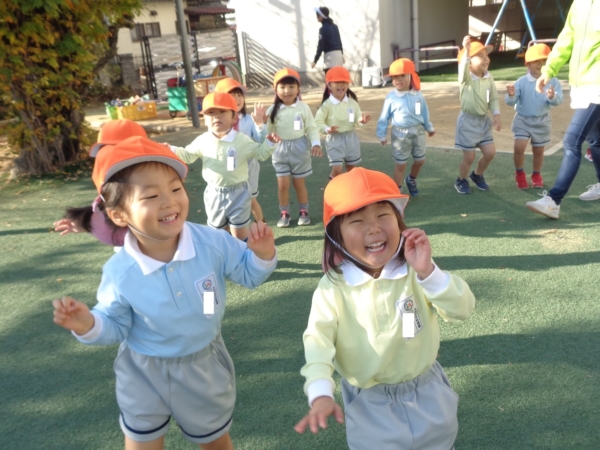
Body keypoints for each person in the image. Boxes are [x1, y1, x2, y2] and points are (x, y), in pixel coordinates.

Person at [52, 136, 277, 450]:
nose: (170, 202)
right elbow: (115, 325)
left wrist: (261, 256)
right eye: (151, 195)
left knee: (214, 440)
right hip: (142, 371)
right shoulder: (120, 272)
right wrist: (87, 324)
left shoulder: (211, 242)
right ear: (118, 215)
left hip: (203, 365)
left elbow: (248, 275)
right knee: (142, 441)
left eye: (175, 189)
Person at [294, 167, 475, 450]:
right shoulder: (332, 288)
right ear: (336, 235)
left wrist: (429, 272)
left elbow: (462, 309)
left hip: (427, 390)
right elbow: (317, 342)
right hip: (370, 402)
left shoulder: (417, 271)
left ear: (400, 222)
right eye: (356, 220)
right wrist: (319, 392)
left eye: (383, 215)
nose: (374, 228)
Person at [169, 92, 280, 240]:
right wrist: (170, 149)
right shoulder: (202, 140)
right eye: (211, 113)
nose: (216, 116)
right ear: (205, 119)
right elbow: (187, 156)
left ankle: (242, 257)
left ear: (234, 117)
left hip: (239, 192)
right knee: (218, 233)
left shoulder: (242, 140)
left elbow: (260, 153)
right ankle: (224, 258)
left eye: (222, 112)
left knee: (239, 234)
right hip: (214, 193)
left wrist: (270, 143)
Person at [526, 0, 600, 218]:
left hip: (596, 85)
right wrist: (548, 71)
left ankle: (553, 201)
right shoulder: (580, 4)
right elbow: (567, 38)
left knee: (572, 141)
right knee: (595, 140)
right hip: (582, 85)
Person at [53, 119, 148, 246]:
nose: (113, 161)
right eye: (106, 154)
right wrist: (86, 223)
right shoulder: (106, 191)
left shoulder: (147, 189)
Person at [266, 68, 322, 228]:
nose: (287, 91)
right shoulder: (271, 110)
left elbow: (311, 128)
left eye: (291, 86)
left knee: (299, 184)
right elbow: (266, 132)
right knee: (282, 184)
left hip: (300, 149)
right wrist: (260, 124)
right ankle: (284, 212)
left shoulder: (303, 108)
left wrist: (316, 143)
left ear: (298, 88)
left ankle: (304, 211)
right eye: (282, 87)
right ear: (275, 89)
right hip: (280, 151)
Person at [505, 43, 563, 190]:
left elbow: (558, 100)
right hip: (522, 119)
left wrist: (552, 96)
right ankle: (519, 173)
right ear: (528, 64)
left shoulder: (553, 81)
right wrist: (511, 95)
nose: (541, 64)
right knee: (519, 147)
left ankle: (536, 175)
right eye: (537, 61)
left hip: (542, 121)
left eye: (545, 61)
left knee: (538, 151)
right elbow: (511, 101)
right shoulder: (521, 82)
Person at [376, 58, 434, 197]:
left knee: (420, 160)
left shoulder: (417, 95)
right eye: (395, 77)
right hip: (400, 135)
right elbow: (384, 117)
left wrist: (428, 126)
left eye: (402, 75)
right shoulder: (391, 97)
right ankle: (397, 190)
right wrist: (382, 134)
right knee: (401, 164)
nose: (398, 80)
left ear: (411, 76)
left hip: (418, 132)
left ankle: (411, 179)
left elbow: (422, 113)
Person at [215, 78, 268, 222]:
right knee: (230, 200)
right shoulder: (218, 121)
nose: (237, 99)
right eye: (232, 95)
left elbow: (260, 139)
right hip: (227, 170)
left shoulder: (248, 120)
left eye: (239, 95)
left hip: (248, 167)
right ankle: (232, 231)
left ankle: (261, 225)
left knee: (250, 199)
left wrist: (259, 125)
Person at [454, 36, 501, 194]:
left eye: (486, 55)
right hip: (468, 122)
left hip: (483, 121)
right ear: (469, 61)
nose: (485, 58)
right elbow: (462, 69)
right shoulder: (466, 78)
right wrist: (467, 51)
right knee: (469, 157)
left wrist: (495, 113)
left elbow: (491, 97)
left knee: (490, 153)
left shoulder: (488, 78)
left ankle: (477, 175)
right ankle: (461, 180)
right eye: (480, 56)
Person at [314, 66, 371, 180]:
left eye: (344, 82)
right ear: (329, 85)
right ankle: (332, 193)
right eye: (336, 82)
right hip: (335, 140)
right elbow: (318, 122)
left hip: (351, 139)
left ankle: (349, 193)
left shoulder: (352, 103)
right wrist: (327, 129)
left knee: (351, 169)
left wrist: (361, 121)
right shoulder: (326, 105)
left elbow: (357, 118)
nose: (340, 85)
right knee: (337, 171)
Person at [311, 6, 344, 73]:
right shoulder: (335, 26)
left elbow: (320, 46)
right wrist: (342, 55)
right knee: (338, 80)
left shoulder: (322, 29)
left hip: (330, 58)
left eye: (317, 15)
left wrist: (315, 60)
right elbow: (340, 42)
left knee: (330, 81)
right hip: (339, 55)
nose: (316, 17)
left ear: (321, 17)